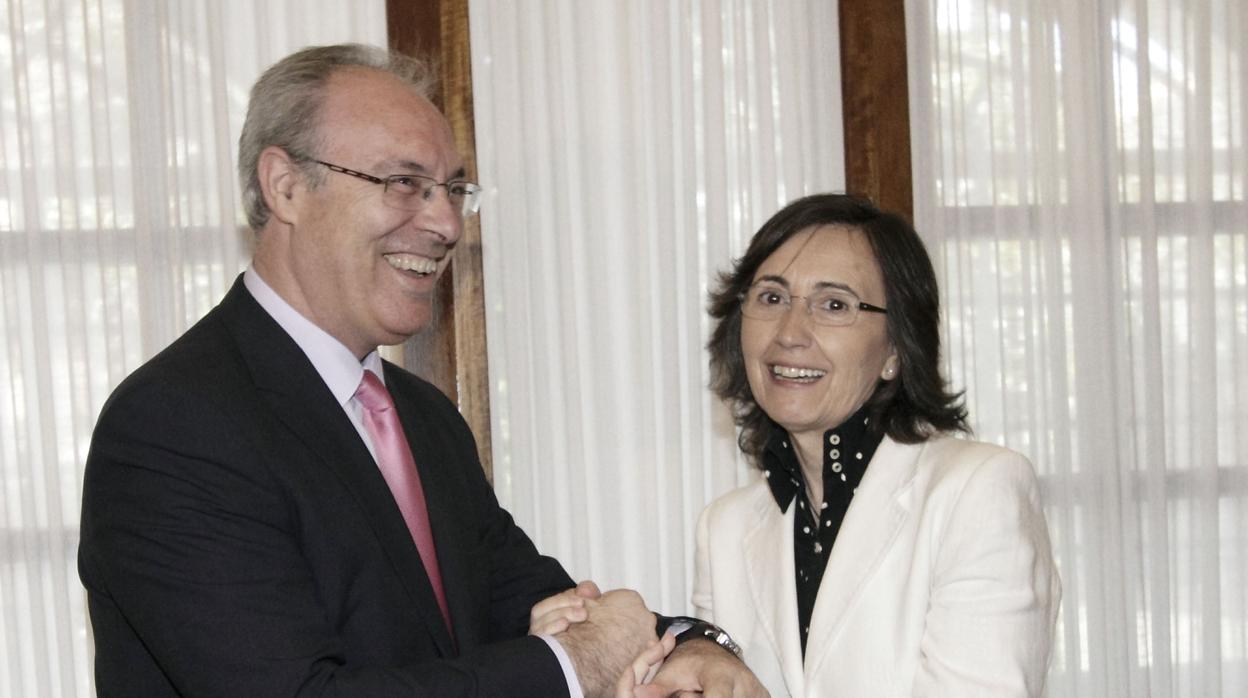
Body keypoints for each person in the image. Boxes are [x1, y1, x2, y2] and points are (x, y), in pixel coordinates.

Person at [78, 43, 761, 698]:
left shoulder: (422, 417)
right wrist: (571, 666)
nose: (445, 224)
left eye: (454, 189)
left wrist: (694, 647)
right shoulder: (175, 425)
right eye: (404, 183)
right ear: (285, 186)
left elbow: (538, 602)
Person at [693, 194, 1061, 696]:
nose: (790, 333)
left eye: (834, 305)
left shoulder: (977, 490)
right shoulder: (725, 529)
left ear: (894, 348)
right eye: (772, 297)